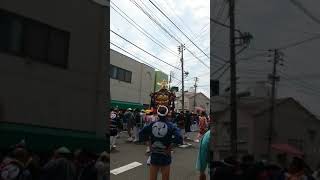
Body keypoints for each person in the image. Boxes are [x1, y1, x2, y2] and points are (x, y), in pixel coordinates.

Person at [139, 105, 183, 180]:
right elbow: (179, 138)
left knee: (152, 177)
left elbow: (141, 133)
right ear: (167, 114)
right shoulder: (171, 126)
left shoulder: (152, 124)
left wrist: (149, 144)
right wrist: (170, 146)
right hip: (166, 154)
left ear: (157, 114)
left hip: (154, 153)